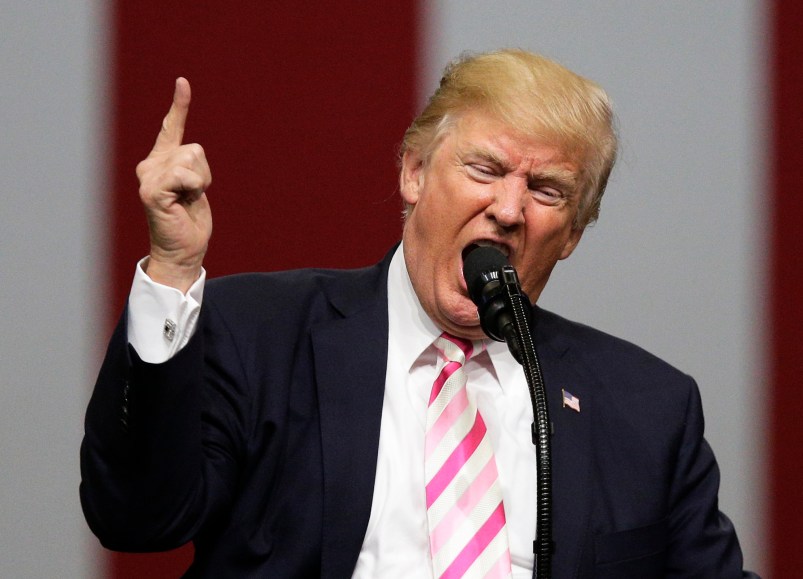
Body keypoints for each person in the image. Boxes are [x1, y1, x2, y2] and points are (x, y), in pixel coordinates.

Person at [81, 49, 757, 578]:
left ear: (573, 233)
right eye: (485, 168)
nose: (509, 209)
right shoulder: (259, 330)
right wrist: (172, 270)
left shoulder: (646, 407)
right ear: (412, 172)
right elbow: (138, 517)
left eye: (547, 189)